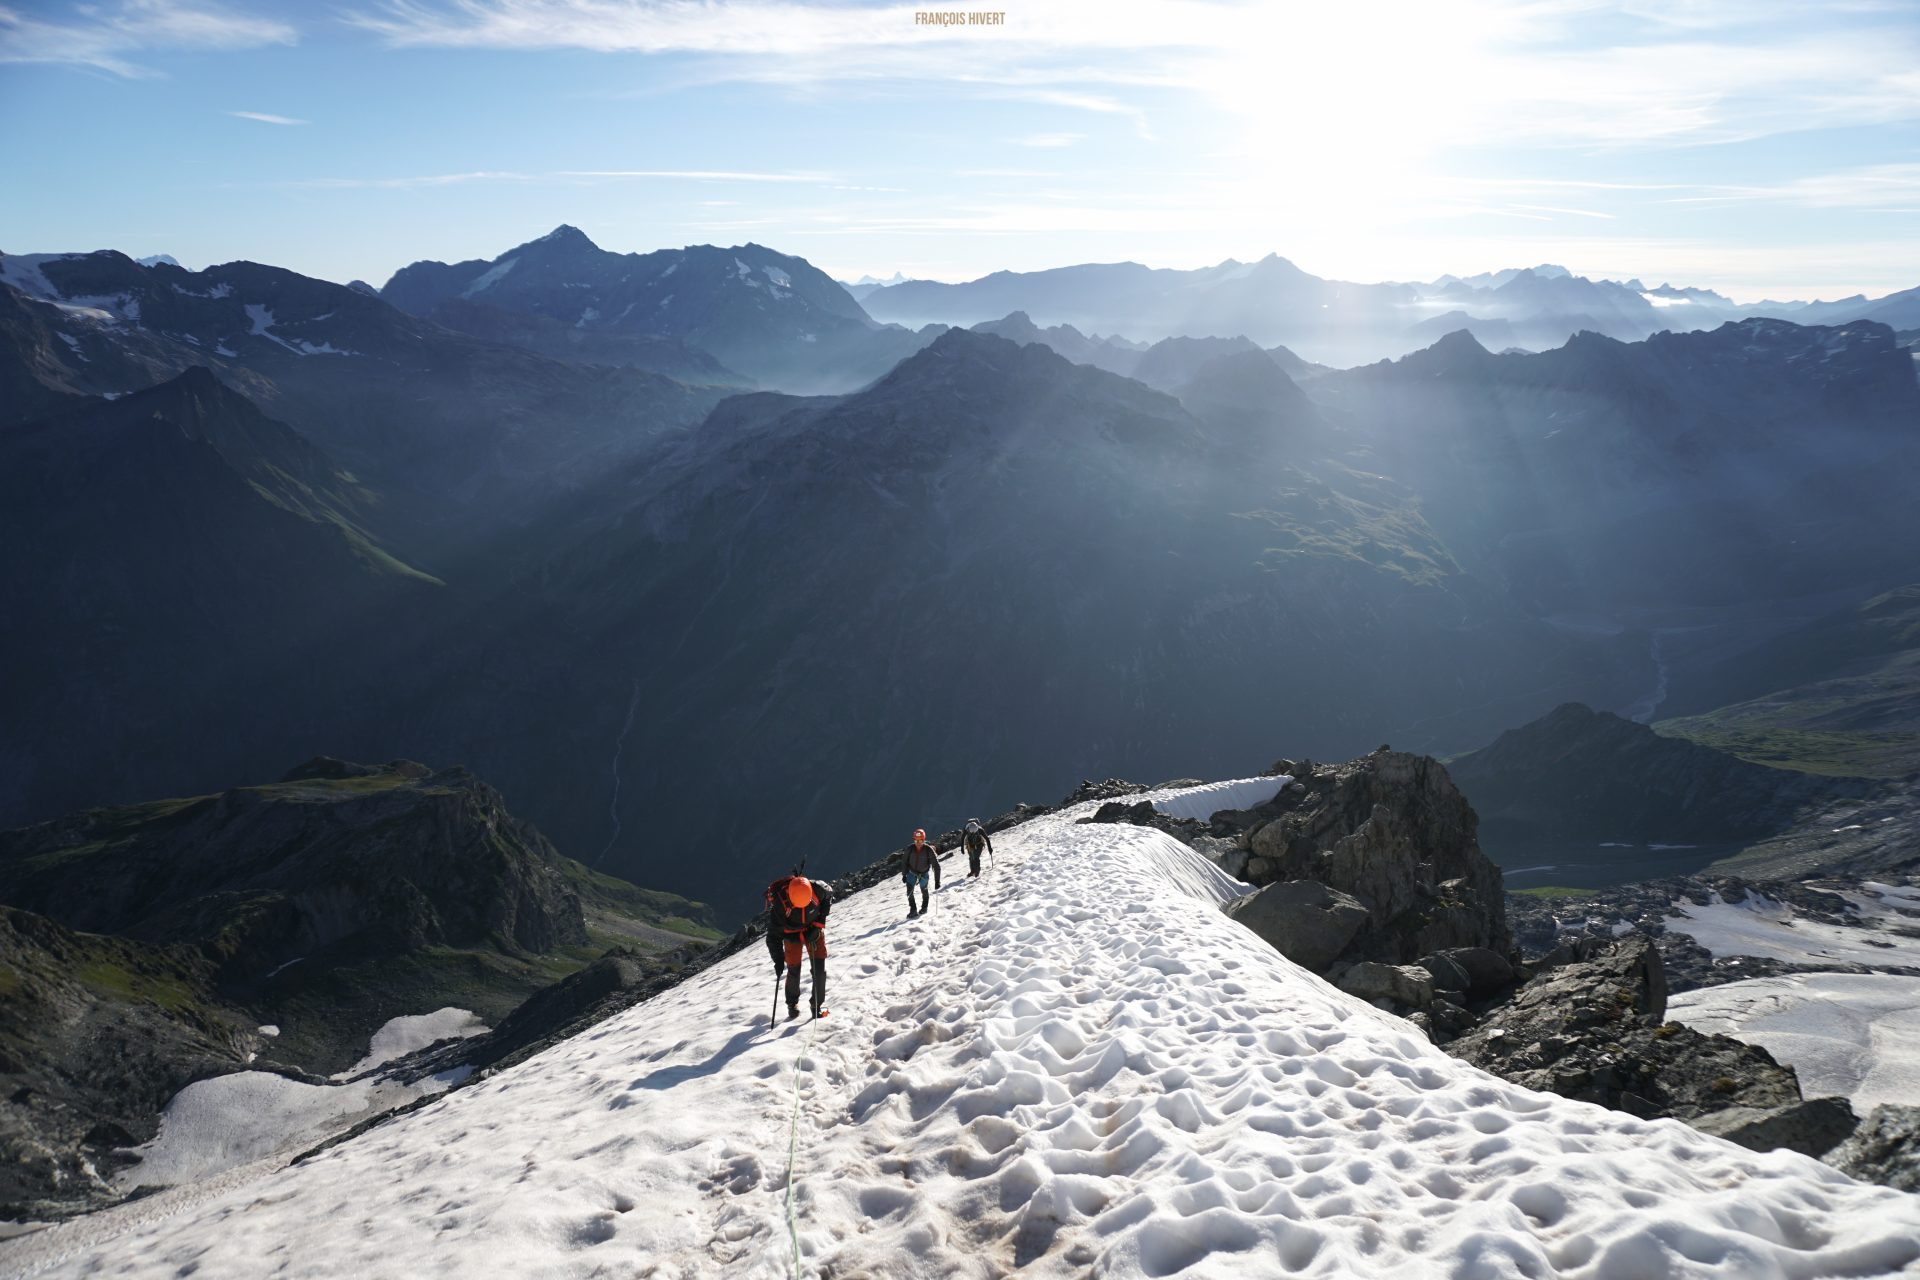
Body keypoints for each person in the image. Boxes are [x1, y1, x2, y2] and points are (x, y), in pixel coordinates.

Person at [764, 873, 833, 1019]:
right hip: (792, 937)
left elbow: (827, 898)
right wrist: (778, 960)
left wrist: (818, 924)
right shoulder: (780, 905)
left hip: (813, 930)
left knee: (819, 969)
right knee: (793, 969)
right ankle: (792, 1003)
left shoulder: (817, 889)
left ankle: (816, 1005)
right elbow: (773, 937)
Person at [903, 828, 940, 918]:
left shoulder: (928, 850)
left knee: (924, 890)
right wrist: (904, 874)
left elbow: (936, 866)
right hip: (912, 873)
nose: (918, 842)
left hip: (923, 874)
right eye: (916, 840)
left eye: (920, 840)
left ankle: (924, 908)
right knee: (909, 892)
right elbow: (904, 861)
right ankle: (913, 910)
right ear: (914, 840)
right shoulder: (910, 849)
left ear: (924, 840)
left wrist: (937, 881)